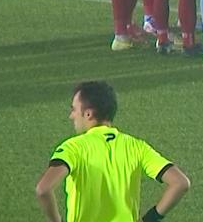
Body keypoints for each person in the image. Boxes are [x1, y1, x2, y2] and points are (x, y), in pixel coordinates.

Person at [35, 81, 190, 222]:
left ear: (88, 114)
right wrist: (150, 219)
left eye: (74, 109)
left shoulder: (73, 148)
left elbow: (43, 189)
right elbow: (180, 182)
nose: (71, 116)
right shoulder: (136, 146)